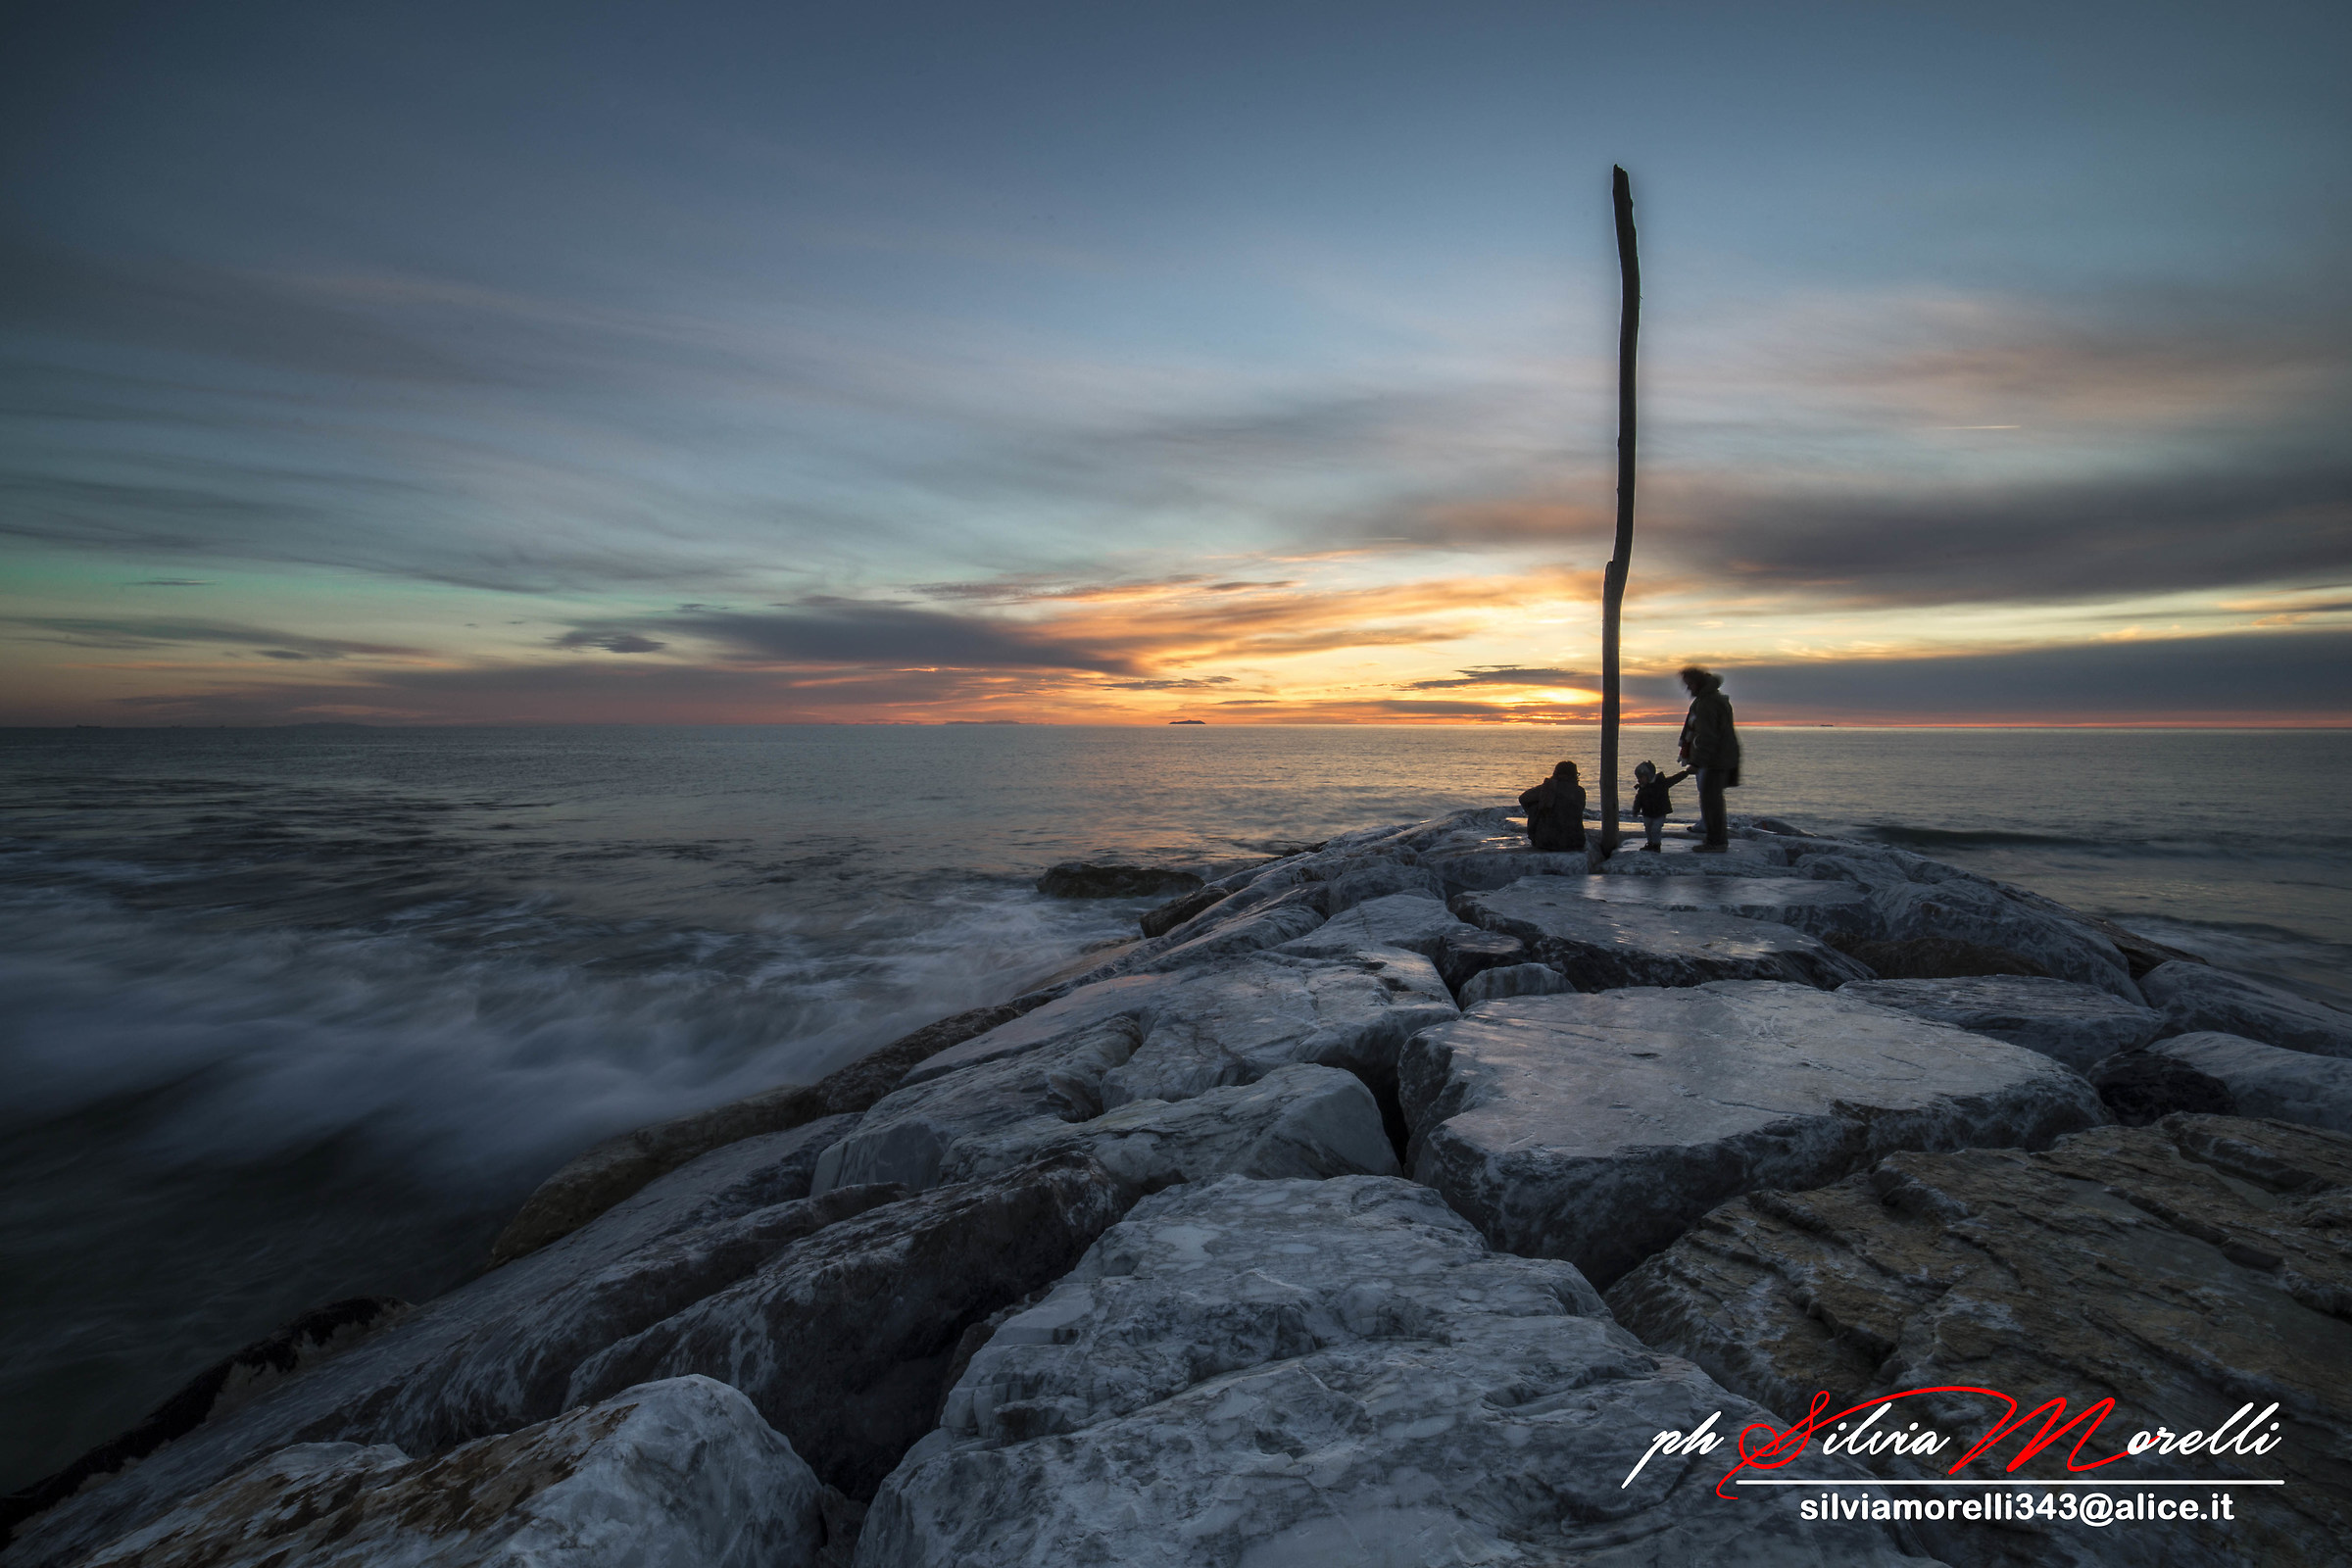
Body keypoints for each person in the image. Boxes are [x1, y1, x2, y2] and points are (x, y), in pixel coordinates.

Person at [1676, 666, 1740, 853]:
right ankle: (1714, 839)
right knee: (1712, 799)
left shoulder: (1707, 703)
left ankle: (1716, 842)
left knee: (1711, 800)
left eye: (1689, 684)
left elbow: (1707, 736)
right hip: (1719, 757)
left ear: (1697, 683)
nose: (1688, 689)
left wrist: (1697, 762)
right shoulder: (1711, 699)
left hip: (1715, 760)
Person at [1518, 760, 1586, 852]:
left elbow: (1523, 798)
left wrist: (1537, 810)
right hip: (1575, 842)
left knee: (1535, 806)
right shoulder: (1580, 791)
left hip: (1547, 842)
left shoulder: (1548, 788)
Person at [1630, 760, 1690, 852]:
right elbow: (1638, 800)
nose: (1639, 780)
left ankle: (1656, 845)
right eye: (1638, 778)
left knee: (1655, 829)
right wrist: (1635, 810)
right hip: (1647, 813)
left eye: (1641, 777)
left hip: (1660, 813)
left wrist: (1686, 773)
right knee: (1648, 829)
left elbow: (1675, 779)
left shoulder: (1662, 783)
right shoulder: (1642, 788)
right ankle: (1650, 844)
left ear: (1649, 775)